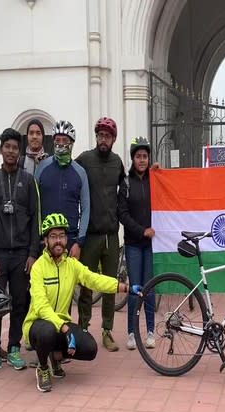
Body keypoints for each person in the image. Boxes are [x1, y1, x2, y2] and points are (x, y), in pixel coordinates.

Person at [23, 213, 131, 392]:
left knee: (90, 348)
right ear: (45, 240)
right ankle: (43, 368)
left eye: (61, 236)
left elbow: (94, 279)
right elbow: (41, 307)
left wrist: (125, 287)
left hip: (61, 324)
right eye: (53, 236)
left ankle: (55, 357)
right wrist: (64, 328)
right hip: (38, 324)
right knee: (47, 331)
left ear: (66, 239)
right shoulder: (38, 268)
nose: (58, 241)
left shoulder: (71, 265)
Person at [0, 128, 40, 375]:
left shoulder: (29, 181)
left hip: (23, 254)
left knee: (20, 303)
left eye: (15, 147)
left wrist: (33, 253)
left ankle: (13, 348)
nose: (11, 151)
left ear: (19, 151)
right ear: (1, 150)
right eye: (7, 147)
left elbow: (36, 219)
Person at [75, 117, 125, 352]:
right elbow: (69, 174)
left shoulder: (117, 162)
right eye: (100, 135)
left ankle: (107, 330)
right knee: (86, 283)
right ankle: (83, 328)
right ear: (96, 137)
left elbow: (129, 186)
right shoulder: (85, 159)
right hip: (91, 234)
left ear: (113, 139)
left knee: (109, 286)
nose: (103, 139)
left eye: (108, 136)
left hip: (111, 236)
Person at [117, 137, 156, 350]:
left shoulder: (155, 179)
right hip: (133, 243)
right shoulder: (126, 182)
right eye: (138, 156)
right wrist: (142, 230)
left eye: (145, 156)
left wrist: (160, 173)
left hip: (152, 245)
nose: (142, 160)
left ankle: (150, 330)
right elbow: (122, 213)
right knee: (135, 289)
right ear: (133, 159)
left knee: (149, 288)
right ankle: (132, 332)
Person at [35, 120, 89, 259]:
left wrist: (79, 242)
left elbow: (86, 209)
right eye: (57, 140)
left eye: (64, 140)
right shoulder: (42, 167)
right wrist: (37, 239)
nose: (60, 143)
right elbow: (35, 205)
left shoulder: (80, 172)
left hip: (70, 239)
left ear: (71, 143)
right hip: (46, 239)